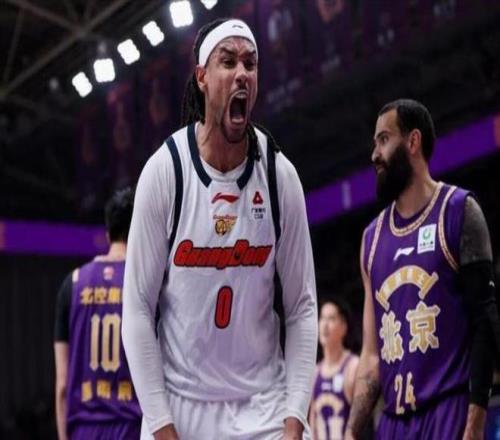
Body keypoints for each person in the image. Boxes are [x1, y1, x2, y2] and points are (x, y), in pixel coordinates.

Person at [122, 18, 318, 440]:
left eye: (251, 63)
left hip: (263, 406)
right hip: (180, 404)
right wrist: (161, 426)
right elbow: (137, 308)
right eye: (228, 62)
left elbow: (302, 307)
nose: (242, 73)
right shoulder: (166, 171)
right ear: (202, 78)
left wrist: (295, 421)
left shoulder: (279, 176)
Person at [345, 99, 500, 439]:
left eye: (384, 140)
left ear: (413, 142)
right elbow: (371, 356)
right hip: (394, 422)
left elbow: (485, 324)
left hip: (449, 412)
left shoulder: (458, 210)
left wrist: (475, 423)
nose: (374, 154)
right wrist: (351, 432)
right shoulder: (371, 238)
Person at [54, 188, 141, 440]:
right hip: (132, 427)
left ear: (107, 233)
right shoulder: (145, 283)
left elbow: (62, 386)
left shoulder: (72, 284)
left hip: (84, 430)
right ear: (140, 230)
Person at [309, 298, 359, 439]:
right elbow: (312, 424)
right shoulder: (315, 372)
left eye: (331, 318)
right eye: (322, 318)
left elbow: (362, 422)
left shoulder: (353, 366)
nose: (325, 325)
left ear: (343, 327)